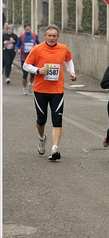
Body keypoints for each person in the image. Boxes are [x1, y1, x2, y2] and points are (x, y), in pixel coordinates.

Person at [23, 24, 77, 161]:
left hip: (57, 90)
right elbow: (25, 65)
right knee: (41, 120)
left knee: (57, 120)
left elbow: (68, 60)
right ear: (45, 36)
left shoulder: (63, 48)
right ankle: (42, 138)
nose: (52, 38)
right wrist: (37, 70)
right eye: (49, 36)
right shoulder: (37, 49)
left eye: (54, 36)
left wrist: (72, 72)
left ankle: (54, 149)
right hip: (40, 90)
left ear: (58, 37)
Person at [15, 23, 40, 95]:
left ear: (31, 28)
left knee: (33, 75)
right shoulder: (22, 37)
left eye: (29, 27)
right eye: (26, 27)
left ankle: (30, 84)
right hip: (24, 58)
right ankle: (24, 88)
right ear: (24, 28)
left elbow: (39, 44)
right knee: (25, 75)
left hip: (33, 59)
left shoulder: (34, 36)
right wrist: (18, 50)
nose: (27, 28)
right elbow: (17, 46)